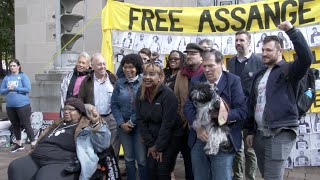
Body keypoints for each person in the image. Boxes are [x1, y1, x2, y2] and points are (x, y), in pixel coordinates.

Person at [246, 21, 314, 180]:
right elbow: (253, 104)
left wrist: (291, 31)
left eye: (268, 50)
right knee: (267, 175)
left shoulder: (288, 70)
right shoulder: (259, 75)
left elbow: (306, 58)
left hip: (279, 133)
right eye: (262, 50)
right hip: (259, 135)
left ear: (280, 51)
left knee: (272, 177)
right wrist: (250, 130)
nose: (264, 53)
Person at [8, 97, 111, 180]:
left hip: (60, 161)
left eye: (71, 109)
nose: (66, 112)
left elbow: (103, 143)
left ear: (79, 113)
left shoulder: (86, 127)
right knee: (16, 167)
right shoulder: (57, 124)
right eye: (65, 109)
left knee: (45, 177)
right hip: (36, 157)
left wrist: (97, 123)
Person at [184, 49, 247, 180]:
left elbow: (241, 110)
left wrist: (218, 116)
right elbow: (188, 106)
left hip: (223, 139)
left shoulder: (233, 80)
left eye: (211, 65)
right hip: (199, 138)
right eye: (204, 66)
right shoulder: (196, 80)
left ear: (221, 63)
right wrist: (197, 128)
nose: (207, 70)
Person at [227, 30, 264, 180]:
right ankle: (238, 177)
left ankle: (250, 177)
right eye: (236, 40)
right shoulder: (230, 62)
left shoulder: (259, 61)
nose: (238, 43)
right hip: (234, 112)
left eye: (241, 40)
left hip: (252, 112)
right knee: (237, 148)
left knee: (250, 149)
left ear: (249, 42)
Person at [136, 63, 183, 179]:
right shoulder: (140, 92)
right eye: (145, 74)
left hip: (170, 138)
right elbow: (140, 119)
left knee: (162, 170)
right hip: (152, 138)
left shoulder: (168, 95)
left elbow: (168, 124)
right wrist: (151, 145)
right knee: (151, 169)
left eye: (151, 74)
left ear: (160, 77)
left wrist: (159, 147)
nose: (147, 77)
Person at [111, 54, 147, 180]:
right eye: (125, 67)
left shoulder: (144, 82)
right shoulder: (119, 83)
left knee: (142, 160)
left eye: (131, 67)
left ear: (137, 68)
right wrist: (121, 123)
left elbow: (144, 106)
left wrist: (131, 122)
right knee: (129, 159)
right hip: (123, 127)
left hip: (139, 127)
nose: (128, 70)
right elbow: (114, 105)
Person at [78, 53, 120, 160]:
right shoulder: (87, 81)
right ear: (92, 66)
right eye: (99, 64)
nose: (102, 66)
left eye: (104, 64)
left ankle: (113, 171)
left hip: (112, 118)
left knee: (113, 149)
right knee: (97, 148)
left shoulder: (113, 78)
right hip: (94, 120)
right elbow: (80, 100)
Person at [174, 43, 206, 180]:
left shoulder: (206, 73)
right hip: (184, 125)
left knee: (203, 163)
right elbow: (176, 98)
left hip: (203, 126)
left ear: (201, 57)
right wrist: (181, 119)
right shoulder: (181, 74)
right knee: (188, 162)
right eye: (187, 53)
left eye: (193, 54)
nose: (189, 56)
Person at [0, 59, 36, 152]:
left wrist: (15, 88)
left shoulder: (23, 76)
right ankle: (19, 144)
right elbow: (1, 91)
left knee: (26, 124)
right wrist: (8, 89)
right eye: (11, 66)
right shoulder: (7, 77)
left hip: (23, 105)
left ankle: (33, 143)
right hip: (10, 106)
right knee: (15, 124)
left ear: (18, 66)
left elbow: (27, 89)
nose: (12, 67)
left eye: (14, 66)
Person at [163, 50, 187, 180]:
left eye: (176, 59)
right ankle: (170, 173)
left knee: (180, 148)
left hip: (179, 119)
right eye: (171, 58)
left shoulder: (183, 74)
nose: (173, 60)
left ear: (182, 60)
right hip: (165, 117)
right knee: (168, 151)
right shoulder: (164, 73)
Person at [60, 52, 91, 117]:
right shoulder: (69, 76)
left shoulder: (91, 77)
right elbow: (63, 93)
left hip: (83, 112)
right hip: (68, 111)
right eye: (79, 62)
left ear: (88, 66)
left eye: (83, 63)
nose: (80, 65)